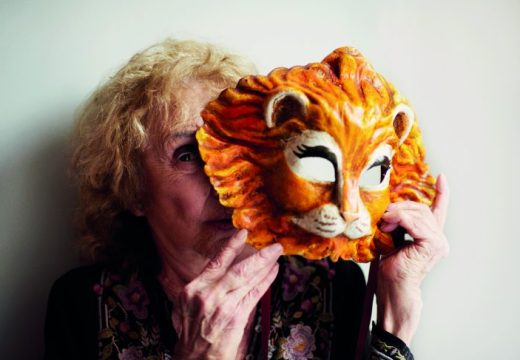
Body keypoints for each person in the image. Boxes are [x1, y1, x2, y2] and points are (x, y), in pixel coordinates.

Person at [44, 38, 449, 360]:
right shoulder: (85, 306)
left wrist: (396, 317)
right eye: (188, 154)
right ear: (131, 185)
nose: (224, 183)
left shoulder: (332, 285)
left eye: (236, 153)